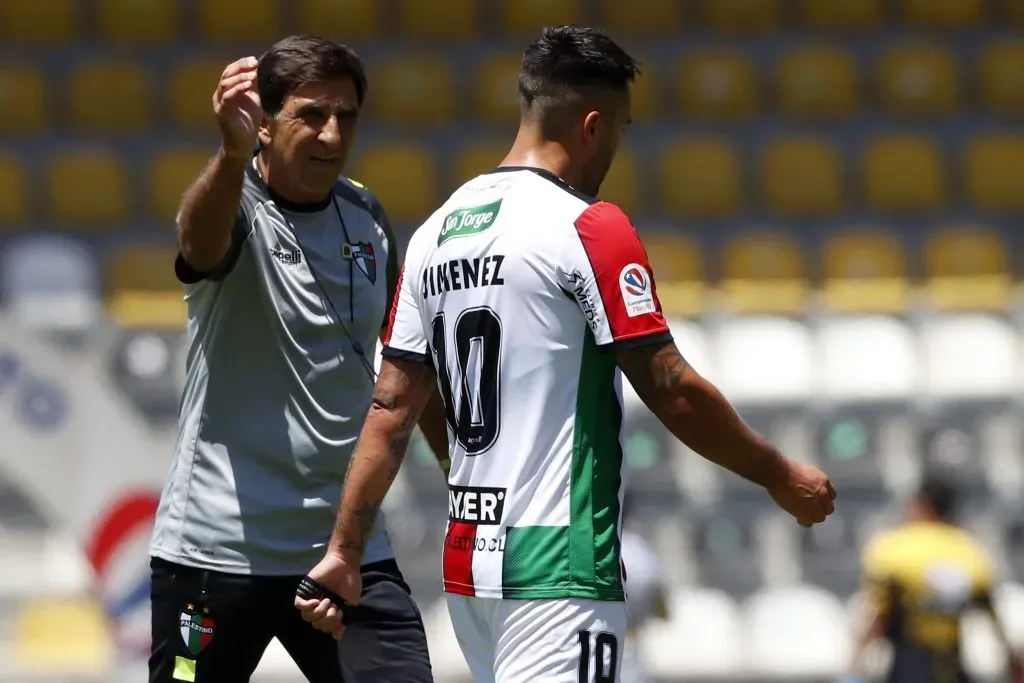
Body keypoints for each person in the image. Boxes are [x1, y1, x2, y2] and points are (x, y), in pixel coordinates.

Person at [296, 25, 836, 682]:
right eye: (619, 130)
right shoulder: (588, 226)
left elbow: (392, 407)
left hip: (470, 565)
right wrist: (779, 472)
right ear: (591, 124)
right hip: (560, 565)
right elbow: (672, 388)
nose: (615, 147)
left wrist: (344, 548)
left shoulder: (436, 231)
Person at [148, 34, 447, 683]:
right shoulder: (233, 202)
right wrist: (230, 154)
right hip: (215, 552)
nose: (332, 133)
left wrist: (461, 467)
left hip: (344, 551)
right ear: (264, 123)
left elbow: (408, 365)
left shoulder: (367, 215)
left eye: (346, 116)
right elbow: (199, 245)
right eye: (311, 114)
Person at [843, 471, 1023, 683]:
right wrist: (1013, 662)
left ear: (920, 505)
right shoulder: (971, 551)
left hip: (909, 664)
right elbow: (991, 614)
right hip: (952, 665)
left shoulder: (894, 549)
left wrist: (855, 669)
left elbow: (879, 617)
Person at [618, 498, 669, 683]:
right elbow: (663, 611)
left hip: (590, 644)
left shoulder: (590, 543)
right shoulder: (640, 549)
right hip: (631, 646)